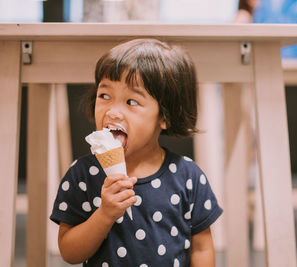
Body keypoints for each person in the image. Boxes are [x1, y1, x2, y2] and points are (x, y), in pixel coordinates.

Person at [50, 38, 223, 267]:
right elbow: (69, 252)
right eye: (104, 96)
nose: (113, 111)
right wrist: (104, 214)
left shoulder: (187, 176)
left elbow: (201, 249)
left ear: (164, 116)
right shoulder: (83, 174)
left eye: (131, 101)